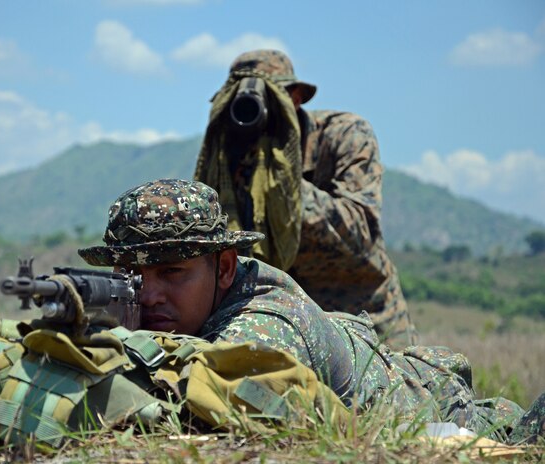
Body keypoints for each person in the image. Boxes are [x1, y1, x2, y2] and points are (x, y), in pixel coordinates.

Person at [79, 178, 543, 444]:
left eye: (172, 272)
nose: (149, 293)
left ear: (223, 268)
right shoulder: (150, 306)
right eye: (131, 275)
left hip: (454, 418)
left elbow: (207, 401)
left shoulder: (266, 317)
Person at [194, 49, 417, 348]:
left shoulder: (343, 135)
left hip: (367, 320)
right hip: (286, 322)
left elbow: (359, 233)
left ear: (295, 98)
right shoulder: (226, 161)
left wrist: (283, 181)